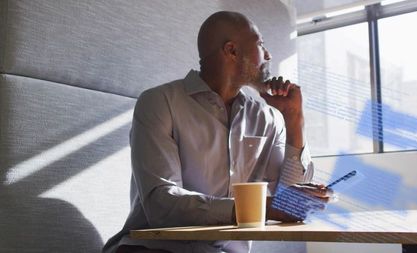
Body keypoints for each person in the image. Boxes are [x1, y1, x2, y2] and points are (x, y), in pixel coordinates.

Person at [103, 11, 329, 253]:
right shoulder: (159, 102)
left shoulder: (268, 118)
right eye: (261, 44)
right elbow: (161, 204)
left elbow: (290, 203)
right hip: (153, 248)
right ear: (232, 51)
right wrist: (262, 208)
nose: (268, 54)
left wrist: (294, 121)